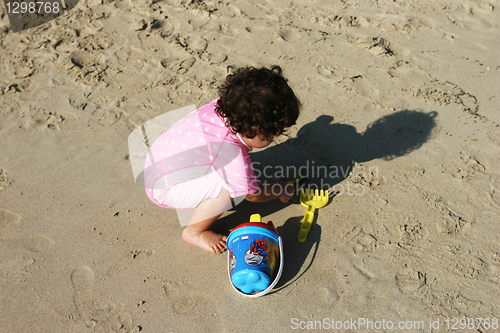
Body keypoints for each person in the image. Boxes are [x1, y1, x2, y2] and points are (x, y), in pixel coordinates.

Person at [144, 65, 301, 253]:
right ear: (253, 130)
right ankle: (195, 231)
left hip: (157, 160)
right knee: (230, 191)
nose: (274, 138)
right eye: (272, 134)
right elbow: (252, 194)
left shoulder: (224, 106)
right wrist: (280, 189)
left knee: (231, 173)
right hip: (164, 188)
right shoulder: (231, 154)